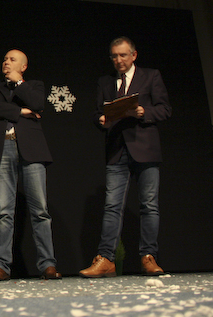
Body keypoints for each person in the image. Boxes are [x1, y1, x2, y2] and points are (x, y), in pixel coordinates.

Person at [80, 36, 171, 277]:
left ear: (133, 55)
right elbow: (97, 112)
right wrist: (100, 119)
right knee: (112, 206)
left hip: (145, 148)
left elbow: (164, 109)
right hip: (117, 149)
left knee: (149, 205)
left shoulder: (150, 76)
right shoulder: (105, 81)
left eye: (122, 55)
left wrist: (143, 111)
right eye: (114, 56)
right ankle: (106, 258)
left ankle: (148, 256)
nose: (118, 60)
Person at [0, 49, 62, 281]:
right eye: (5, 59)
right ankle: (1, 265)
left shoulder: (34, 86)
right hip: (2, 148)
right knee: (4, 211)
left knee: (40, 210)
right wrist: (21, 111)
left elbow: (37, 103)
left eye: (12, 59)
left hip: (31, 149)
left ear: (23, 67)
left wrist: (19, 84)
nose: (6, 62)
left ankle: (47, 264)